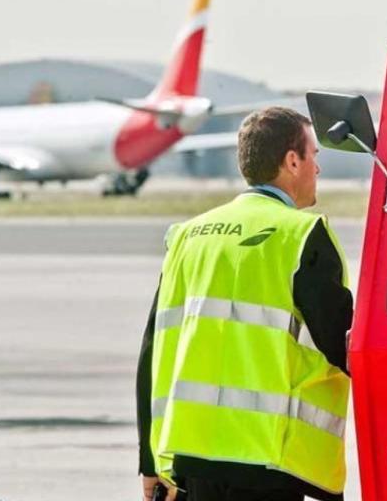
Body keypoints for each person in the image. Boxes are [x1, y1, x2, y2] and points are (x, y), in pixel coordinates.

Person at [135, 106, 354, 501]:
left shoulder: (187, 236)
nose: (317, 170)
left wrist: (149, 462)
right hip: (267, 458)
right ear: (292, 161)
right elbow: (345, 345)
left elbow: (152, 351)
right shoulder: (302, 235)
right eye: (314, 157)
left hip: (192, 455)